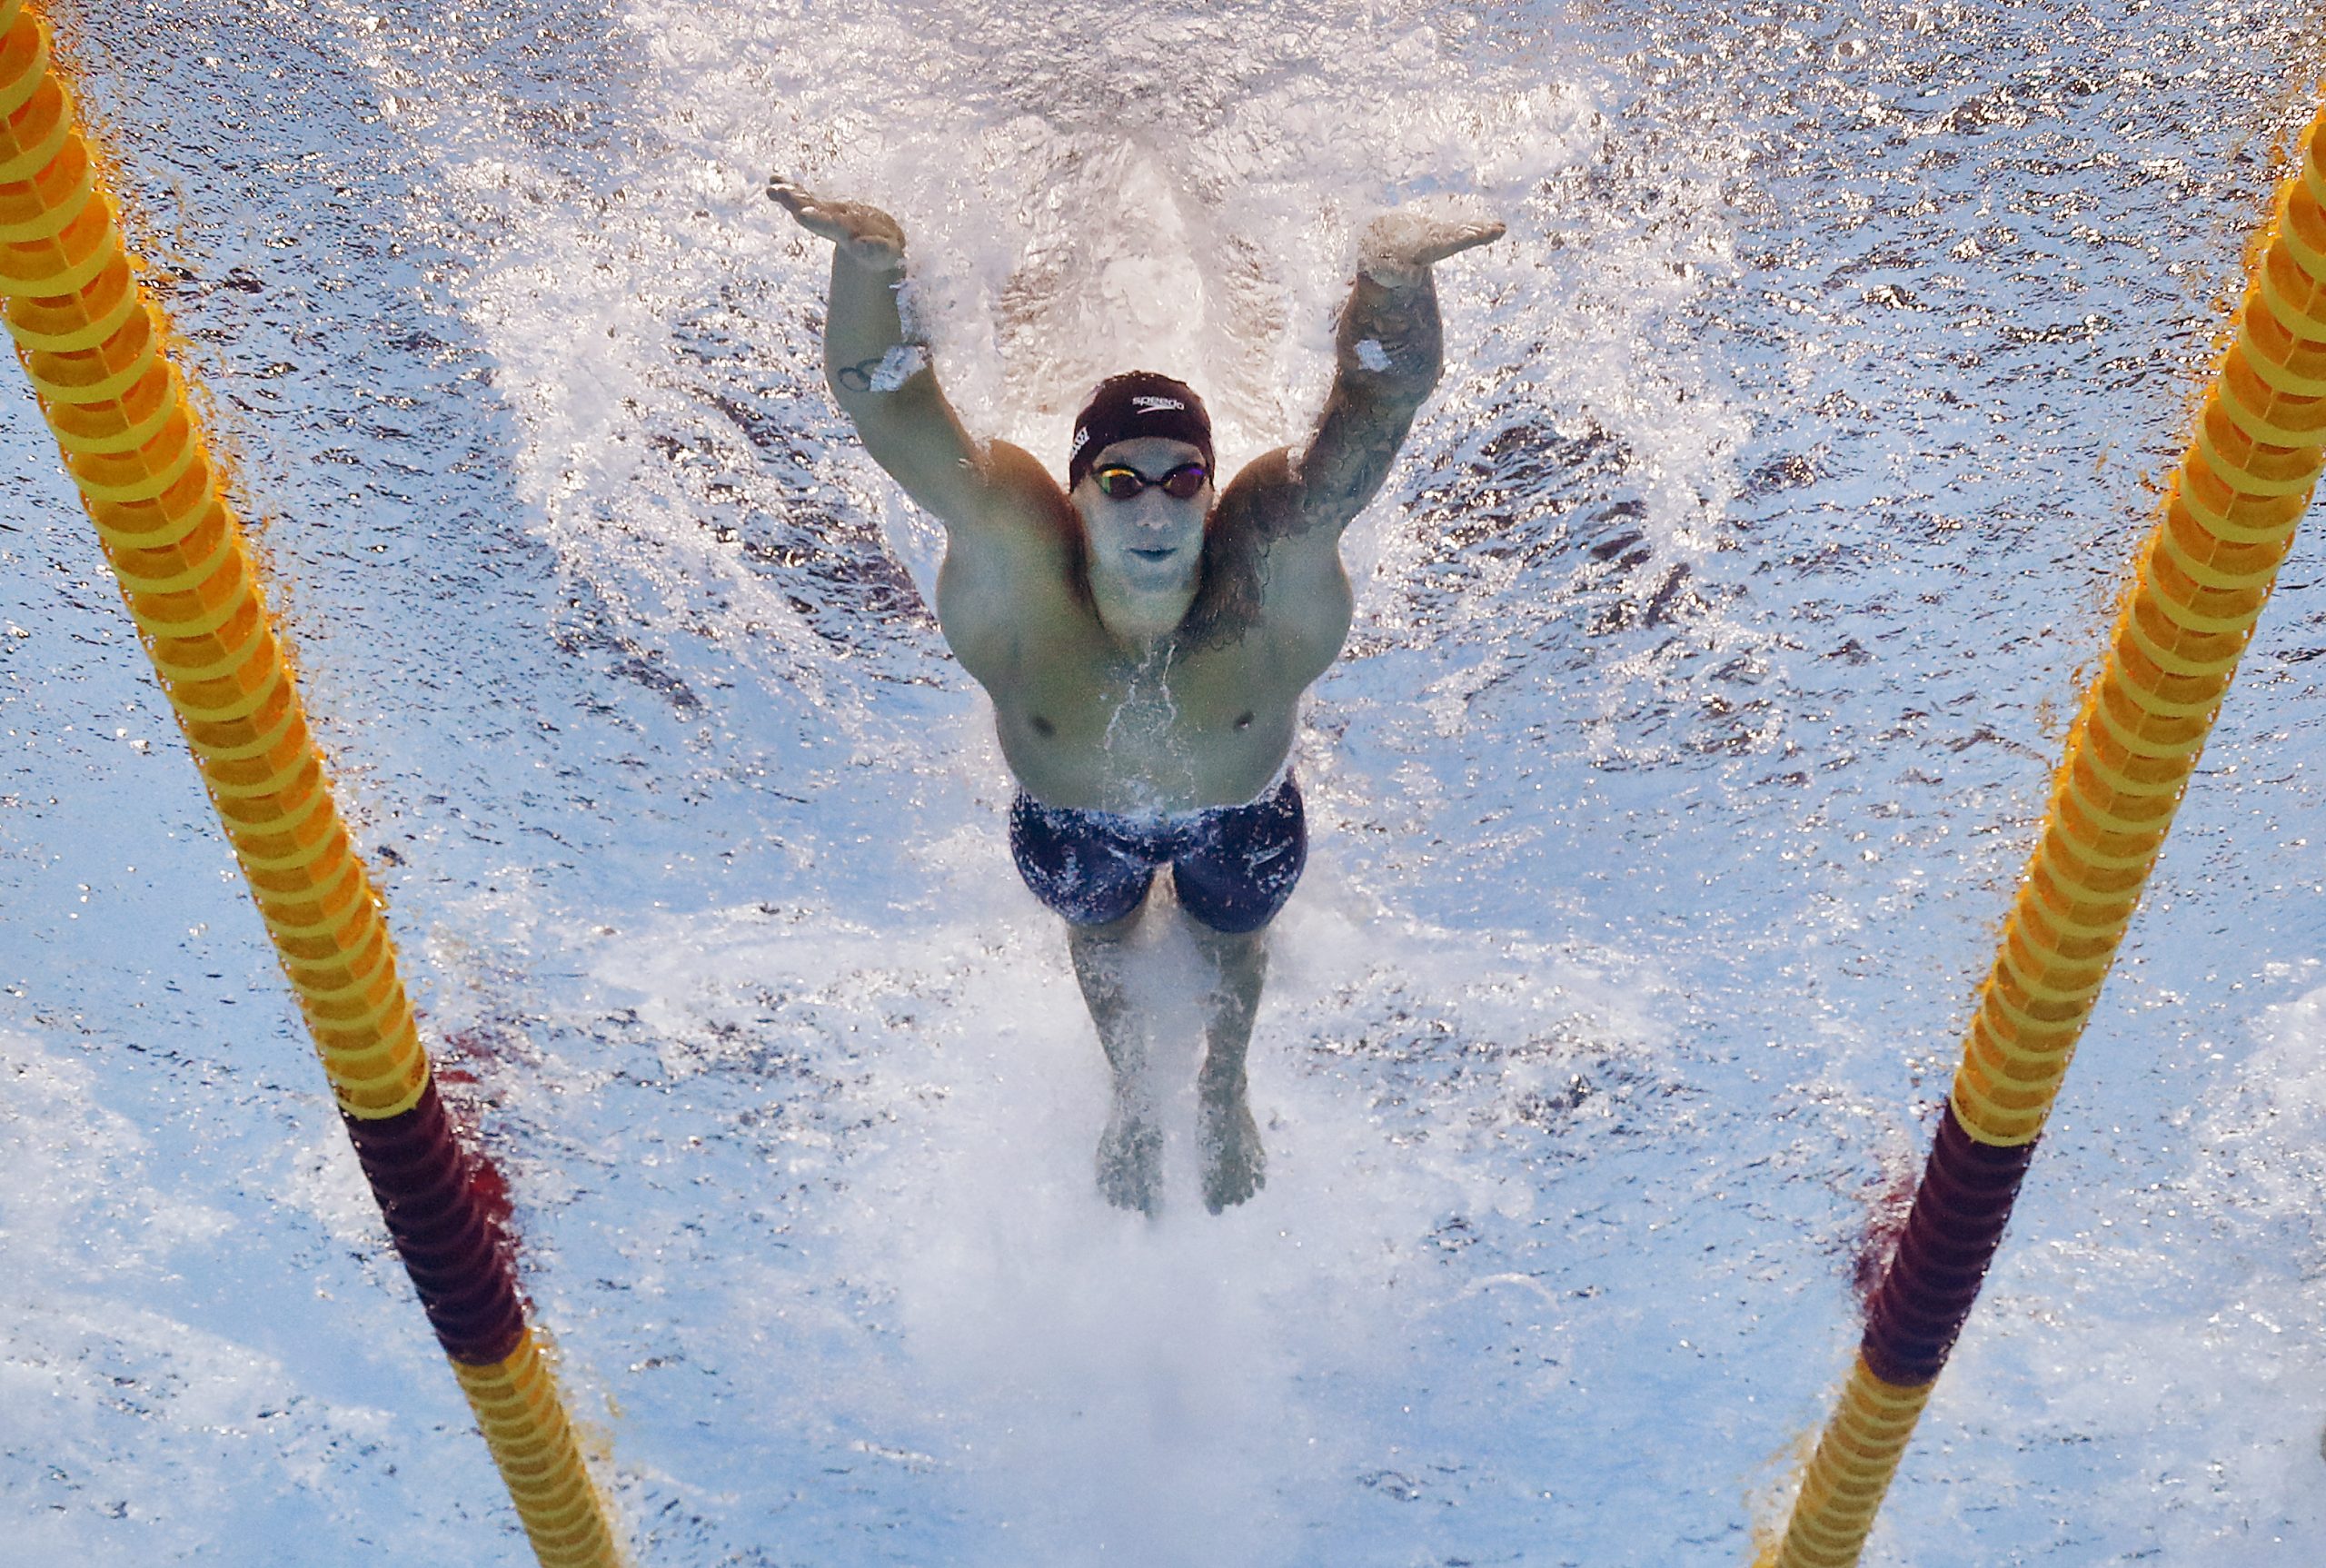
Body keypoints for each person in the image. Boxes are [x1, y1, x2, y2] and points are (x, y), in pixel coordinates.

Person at [769, 173, 1502, 1216]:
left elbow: (1380, 405)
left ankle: (1222, 1085)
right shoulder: (1017, 567)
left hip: (1240, 818)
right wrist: (872, 260)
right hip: (1072, 827)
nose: (1153, 505)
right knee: (1100, 939)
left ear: (1211, 489)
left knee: (1233, 942)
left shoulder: (1269, 565)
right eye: (1121, 479)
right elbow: (879, 393)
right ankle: (1128, 1098)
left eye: (1180, 478)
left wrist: (1389, 273)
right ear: (1075, 493)